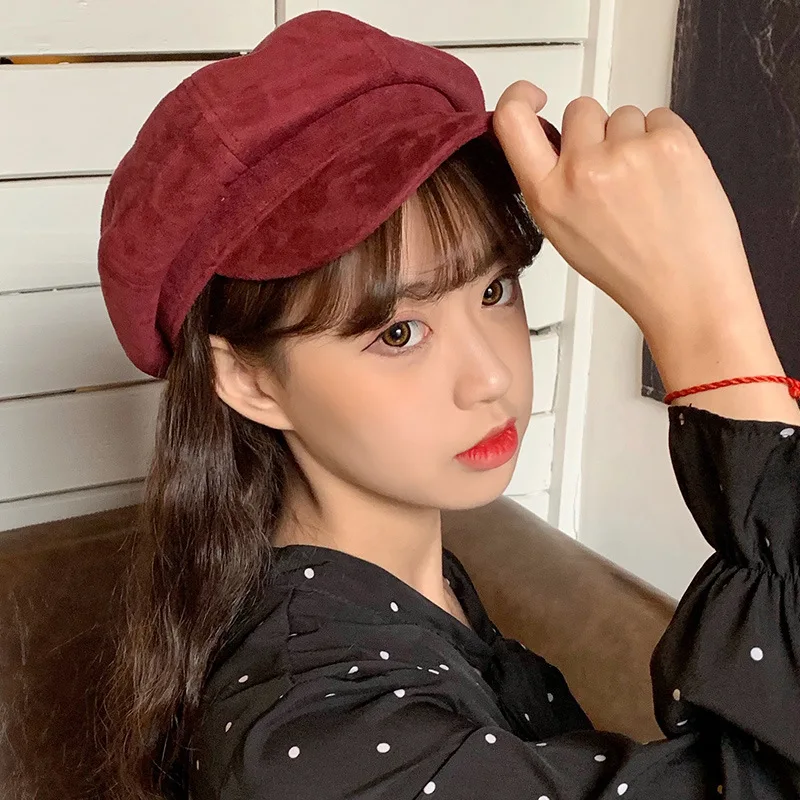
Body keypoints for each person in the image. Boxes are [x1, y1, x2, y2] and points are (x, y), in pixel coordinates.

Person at [96, 10, 800, 800]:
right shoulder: (315, 738)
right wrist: (709, 326)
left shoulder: (411, 588)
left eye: (495, 289)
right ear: (250, 382)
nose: (490, 378)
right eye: (399, 332)